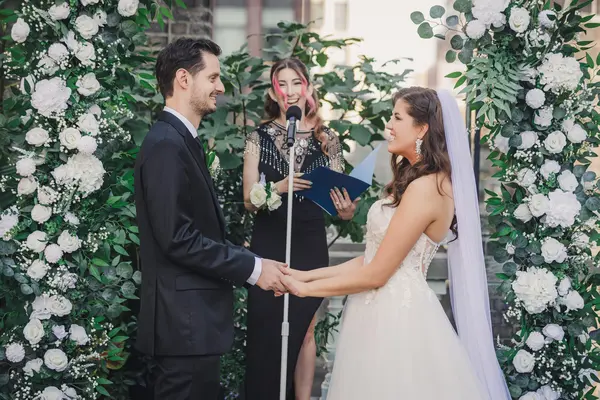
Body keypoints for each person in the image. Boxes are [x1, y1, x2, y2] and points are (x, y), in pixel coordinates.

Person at [282, 87, 512, 399]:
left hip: (397, 322)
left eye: (397, 118)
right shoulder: (414, 181)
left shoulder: (428, 188)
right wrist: (303, 275)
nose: (389, 126)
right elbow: (371, 258)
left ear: (422, 128)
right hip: (376, 312)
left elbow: (377, 274)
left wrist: (302, 289)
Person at [133, 38, 289, 400]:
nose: (220, 87)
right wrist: (253, 268)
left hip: (191, 327)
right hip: (183, 327)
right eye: (213, 77)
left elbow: (197, 231)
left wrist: (256, 262)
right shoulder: (166, 145)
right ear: (183, 79)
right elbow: (177, 238)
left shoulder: (180, 140)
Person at [242, 57, 358, 400]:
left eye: (297, 83)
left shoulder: (328, 139)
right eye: (282, 84)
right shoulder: (257, 137)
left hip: (309, 243)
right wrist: (279, 187)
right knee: (265, 328)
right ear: (272, 92)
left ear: (308, 88)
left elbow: (342, 203)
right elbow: (249, 201)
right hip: (268, 242)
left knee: (305, 330)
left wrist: (347, 210)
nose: (290, 91)